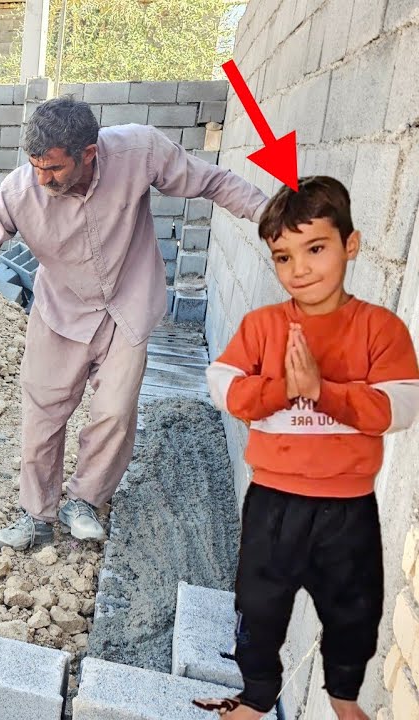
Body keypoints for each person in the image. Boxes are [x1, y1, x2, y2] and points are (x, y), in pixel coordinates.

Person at [0, 97, 268, 549]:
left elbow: (210, 180)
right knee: (42, 414)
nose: (43, 178)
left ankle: (85, 501)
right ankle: (35, 515)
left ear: (88, 153)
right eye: (35, 165)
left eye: (53, 168)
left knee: (114, 412)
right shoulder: (20, 194)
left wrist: (269, 212)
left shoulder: (139, 151)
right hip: (61, 313)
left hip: (127, 306)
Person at [196, 177, 419, 720]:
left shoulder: (379, 329)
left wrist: (323, 392)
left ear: (351, 244)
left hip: (348, 506)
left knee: (353, 610)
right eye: (282, 257)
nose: (300, 269)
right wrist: (283, 389)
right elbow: (223, 385)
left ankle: (345, 700)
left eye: (315, 248)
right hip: (274, 500)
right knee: (258, 604)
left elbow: (400, 407)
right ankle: (255, 696)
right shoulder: (263, 326)